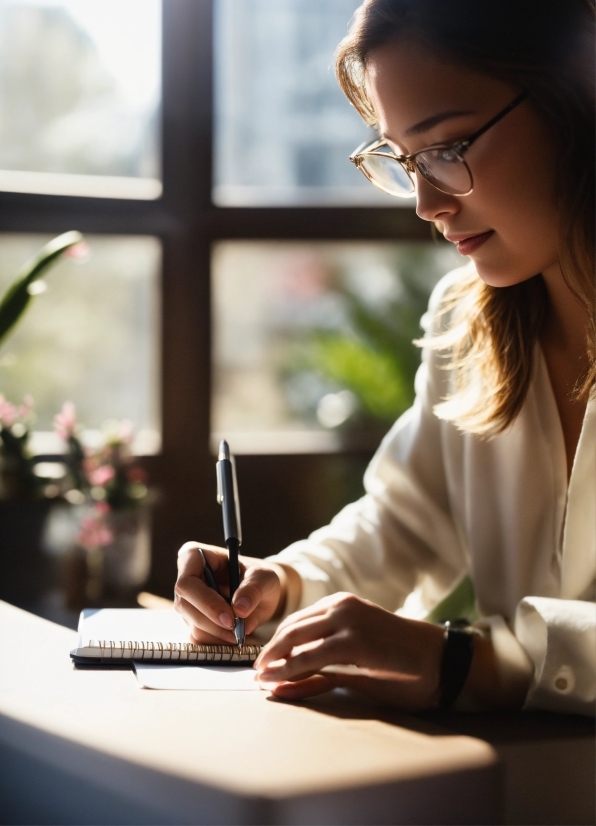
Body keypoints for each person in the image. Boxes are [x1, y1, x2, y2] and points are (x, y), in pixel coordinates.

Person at [175, 0, 595, 715]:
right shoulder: (468, 322)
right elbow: (404, 523)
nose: (426, 202)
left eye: (448, 149)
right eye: (403, 160)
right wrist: (283, 582)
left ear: (578, 101)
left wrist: (473, 661)